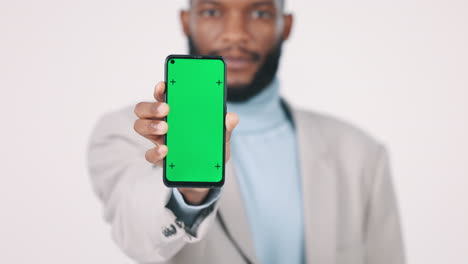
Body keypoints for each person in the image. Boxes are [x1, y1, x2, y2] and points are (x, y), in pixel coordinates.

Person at [87, 0, 406, 263]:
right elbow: (137, 234)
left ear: (287, 26)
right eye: (212, 11)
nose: (235, 35)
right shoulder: (128, 131)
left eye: (259, 13)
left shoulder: (361, 154)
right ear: (186, 22)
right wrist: (189, 193)